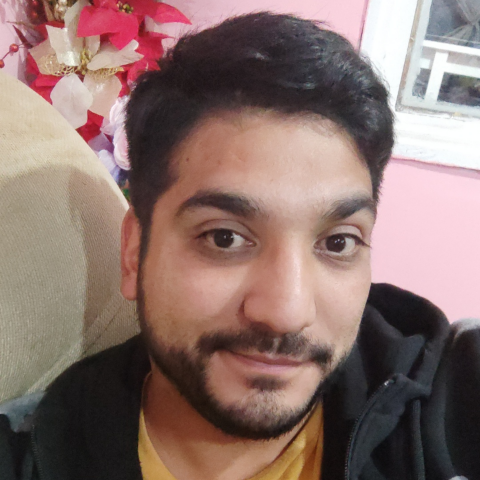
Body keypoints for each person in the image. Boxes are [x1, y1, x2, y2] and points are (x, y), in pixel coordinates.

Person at [1, 11, 479, 480]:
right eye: (224, 238)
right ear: (133, 253)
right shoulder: (32, 454)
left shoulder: (447, 405)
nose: (287, 313)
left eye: (338, 242)